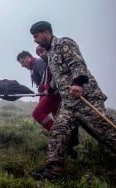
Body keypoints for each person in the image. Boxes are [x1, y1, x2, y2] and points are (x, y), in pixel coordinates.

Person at [29, 21, 116, 180]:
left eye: (36, 36)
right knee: (58, 131)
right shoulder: (50, 55)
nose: (35, 40)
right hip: (69, 104)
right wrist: (52, 89)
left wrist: (78, 83)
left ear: (46, 32)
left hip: (85, 98)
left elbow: (77, 64)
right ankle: (53, 172)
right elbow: (59, 76)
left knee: (106, 132)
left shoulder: (64, 43)